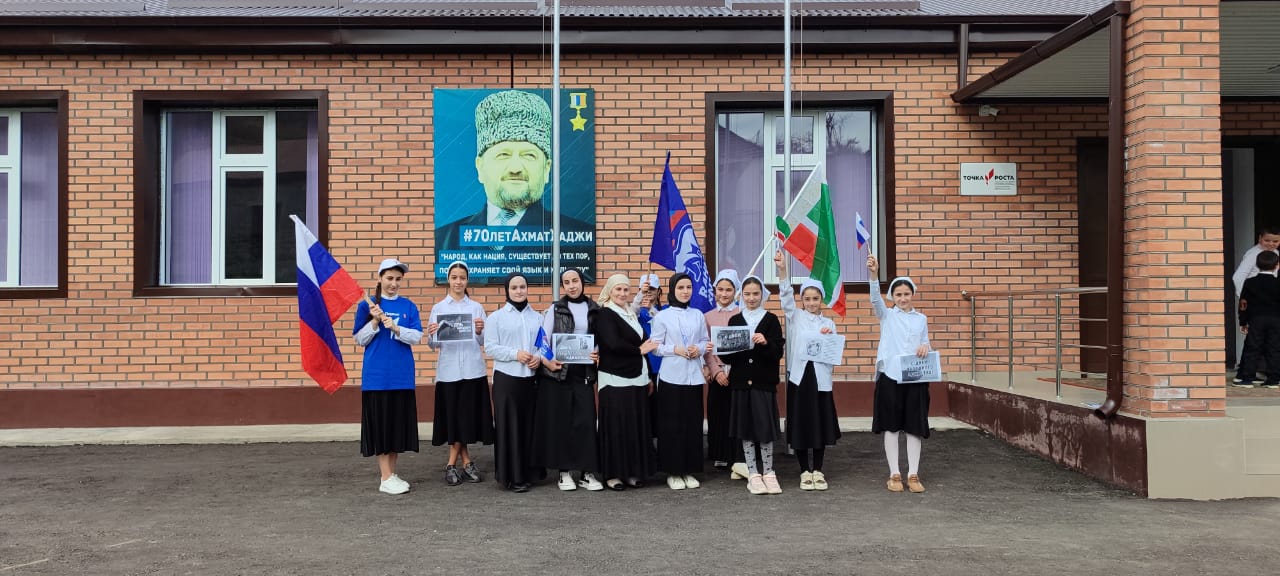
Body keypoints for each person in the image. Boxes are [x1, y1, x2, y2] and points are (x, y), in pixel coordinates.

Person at [434, 90, 593, 272]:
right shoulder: (444, 239)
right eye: (503, 154)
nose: (515, 168)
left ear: (547, 169)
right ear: (480, 167)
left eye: (529, 155)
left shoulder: (577, 240)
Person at [352, 258, 425, 495]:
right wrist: (375, 321)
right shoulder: (367, 306)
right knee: (382, 428)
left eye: (398, 279)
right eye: (389, 278)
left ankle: (391, 474)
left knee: (395, 428)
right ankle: (385, 477)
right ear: (380, 278)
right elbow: (359, 339)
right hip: (377, 377)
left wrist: (395, 328)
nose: (393, 283)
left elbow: (416, 337)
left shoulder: (408, 306)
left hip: (401, 376)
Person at [532, 268, 604, 491]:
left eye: (575, 281)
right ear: (563, 286)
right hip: (559, 374)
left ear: (582, 282)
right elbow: (542, 340)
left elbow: (599, 338)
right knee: (561, 423)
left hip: (584, 373)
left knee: (586, 423)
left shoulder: (594, 309)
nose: (572, 285)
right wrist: (548, 361)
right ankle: (564, 472)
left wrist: (597, 352)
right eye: (567, 282)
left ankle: (586, 472)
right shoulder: (555, 309)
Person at [776, 251, 841, 491]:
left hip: (821, 380)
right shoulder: (795, 317)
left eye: (815, 298)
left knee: (820, 424)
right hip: (800, 378)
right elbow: (785, 296)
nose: (812, 303)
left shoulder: (829, 323)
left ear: (821, 299)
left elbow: (833, 353)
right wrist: (783, 270)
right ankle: (804, 470)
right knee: (802, 424)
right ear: (802, 300)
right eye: (807, 298)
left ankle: (818, 470)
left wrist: (829, 337)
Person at [867, 254, 932, 494]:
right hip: (891, 377)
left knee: (914, 427)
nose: (902, 298)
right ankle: (894, 473)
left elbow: (925, 343)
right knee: (892, 427)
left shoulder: (921, 319)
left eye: (906, 294)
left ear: (912, 294)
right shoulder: (887, 315)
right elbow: (875, 298)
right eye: (898, 295)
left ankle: (913, 474)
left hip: (915, 378)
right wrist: (874, 274)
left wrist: (925, 348)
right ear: (892, 297)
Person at [427, 261, 494, 486]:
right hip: (448, 372)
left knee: (464, 419)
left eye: (462, 278)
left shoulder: (476, 307)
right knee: (455, 419)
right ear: (448, 279)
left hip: (472, 371)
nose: (458, 281)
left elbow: (484, 342)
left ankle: (455, 464)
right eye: (454, 277)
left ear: (467, 280)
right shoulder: (438, 308)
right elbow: (432, 345)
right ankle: (463, 462)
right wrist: (432, 334)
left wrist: (480, 330)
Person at [718, 275, 785, 495]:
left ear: (762, 295)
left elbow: (777, 353)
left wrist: (765, 342)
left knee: (764, 429)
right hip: (741, 383)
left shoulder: (771, 320)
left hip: (763, 383)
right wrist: (720, 347)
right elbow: (728, 357)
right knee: (746, 429)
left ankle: (769, 472)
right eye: (747, 294)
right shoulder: (735, 320)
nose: (751, 298)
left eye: (756, 294)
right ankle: (753, 473)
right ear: (741, 295)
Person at [594, 274, 661, 490]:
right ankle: (613, 474)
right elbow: (612, 343)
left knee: (634, 427)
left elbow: (645, 346)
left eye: (625, 289)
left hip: (637, 377)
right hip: (614, 378)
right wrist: (638, 350)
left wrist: (648, 375)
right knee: (616, 428)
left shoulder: (630, 313)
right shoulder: (604, 314)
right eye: (618, 289)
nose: (622, 294)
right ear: (610, 291)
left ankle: (632, 471)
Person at [484, 272, 548, 492]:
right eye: (514, 287)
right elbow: (490, 347)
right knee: (509, 429)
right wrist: (515, 354)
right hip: (507, 380)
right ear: (507, 290)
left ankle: (531, 473)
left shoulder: (538, 318)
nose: (519, 291)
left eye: (522, 287)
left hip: (531, 380)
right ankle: (513, 477)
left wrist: (538, 357)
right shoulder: (496, 318)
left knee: (530, 427)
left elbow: (543, 344)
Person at [652, 273, 711, 490]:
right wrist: (675, 349)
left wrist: (699, 349)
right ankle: (673, 471)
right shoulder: (662, 316)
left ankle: (689, 469)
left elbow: (705, 341)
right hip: (671, 377)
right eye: (680, 288)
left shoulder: (697, 315)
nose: (685, 291)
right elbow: (655, 346)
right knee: (672, 426)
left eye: (688, 287)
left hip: (693, 377)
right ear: (672, 290)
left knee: (692, 425)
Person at [704, 269, 748, 478]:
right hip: (717, 373)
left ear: (735, 291)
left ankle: (737, 454)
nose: (724, 294)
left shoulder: (742, 314)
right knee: (718, 413)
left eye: (728, 290)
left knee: (736, 413)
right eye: (720, 289)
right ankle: (719, 453)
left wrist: (734, 370)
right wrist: (716, 370)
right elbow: (707, 348)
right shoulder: (707, 317)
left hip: (737, 372)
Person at [1236, 251, 1280, 389]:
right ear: (1277, 265)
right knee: (1274, 349)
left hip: (1256, 320)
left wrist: (1243, 321)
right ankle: (1273, 380)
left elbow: (1243, 303)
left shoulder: (1250, 282)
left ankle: (1247, 379)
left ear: (1256, 264)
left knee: (1252, 348)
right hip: (1276, 320)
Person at [1232, 226, 1280, 299]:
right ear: (1260, 238)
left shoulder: (1276, 252)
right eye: (1267, 240)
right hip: (1255, 295)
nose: (1271, 244)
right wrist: (1244, 296)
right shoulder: (1253, 254)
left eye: (1275, 241)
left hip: (1269, 295)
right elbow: (1238, 277)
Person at [634, 273, 666, 383]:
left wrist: (651, 309)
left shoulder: (666, 309)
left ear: (658, 291)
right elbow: (630, 315)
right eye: (645, 289)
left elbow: (668, 323)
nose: (648, 291)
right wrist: (640, 297)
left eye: (652, 288)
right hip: (642, 362)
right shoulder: (636, 310)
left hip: (662, 362)